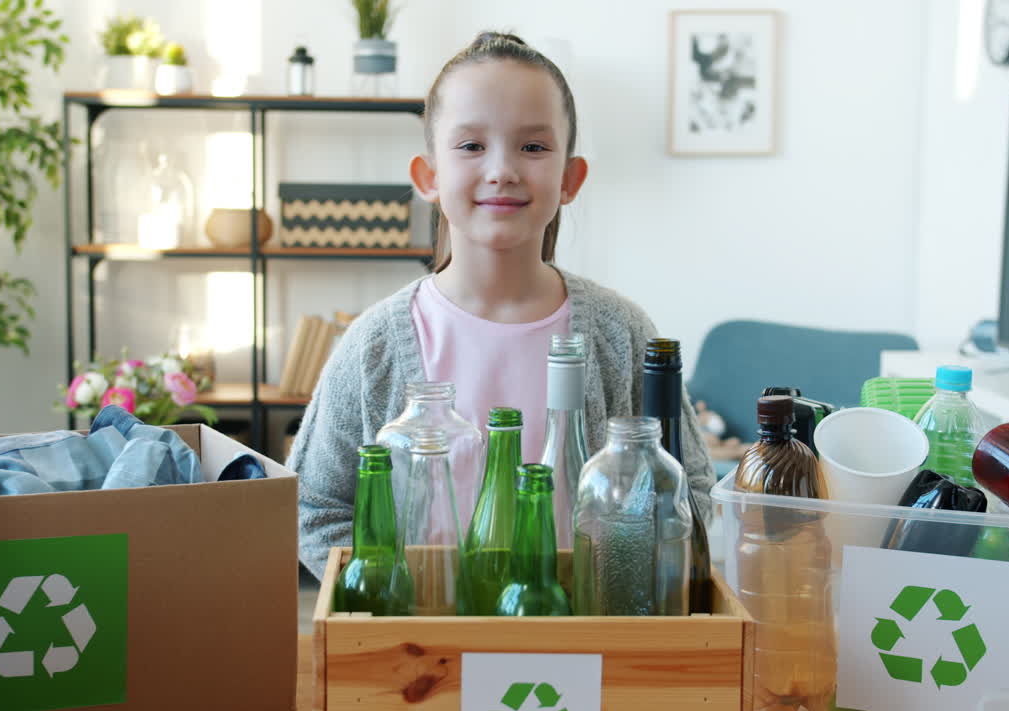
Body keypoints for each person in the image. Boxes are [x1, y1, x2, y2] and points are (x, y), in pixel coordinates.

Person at [293, 31, 715, 580]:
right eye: (471, 146)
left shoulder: (621, 333)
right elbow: (314, 508)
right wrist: (398, 594)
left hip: (591, 645)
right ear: (429, 176)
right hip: (423, 652)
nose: (502, 170)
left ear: (569, 178)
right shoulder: (374, 343)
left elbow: (691, 491)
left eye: (533, 147)